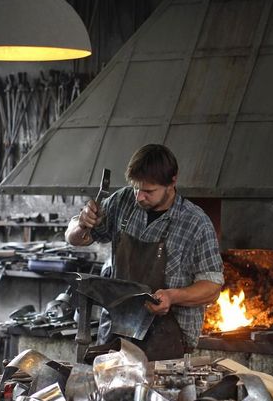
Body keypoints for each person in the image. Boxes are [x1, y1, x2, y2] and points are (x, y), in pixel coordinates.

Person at [65, 144, 224, 359]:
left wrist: (172, 296)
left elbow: (212, 287)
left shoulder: (195, 223)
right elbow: (74, 239)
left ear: (172, 182)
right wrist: (82, 223)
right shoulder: (123, 201)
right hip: (115, 336)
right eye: (136, 188)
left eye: (149, 191)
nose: (139, 197)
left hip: (165, 344)